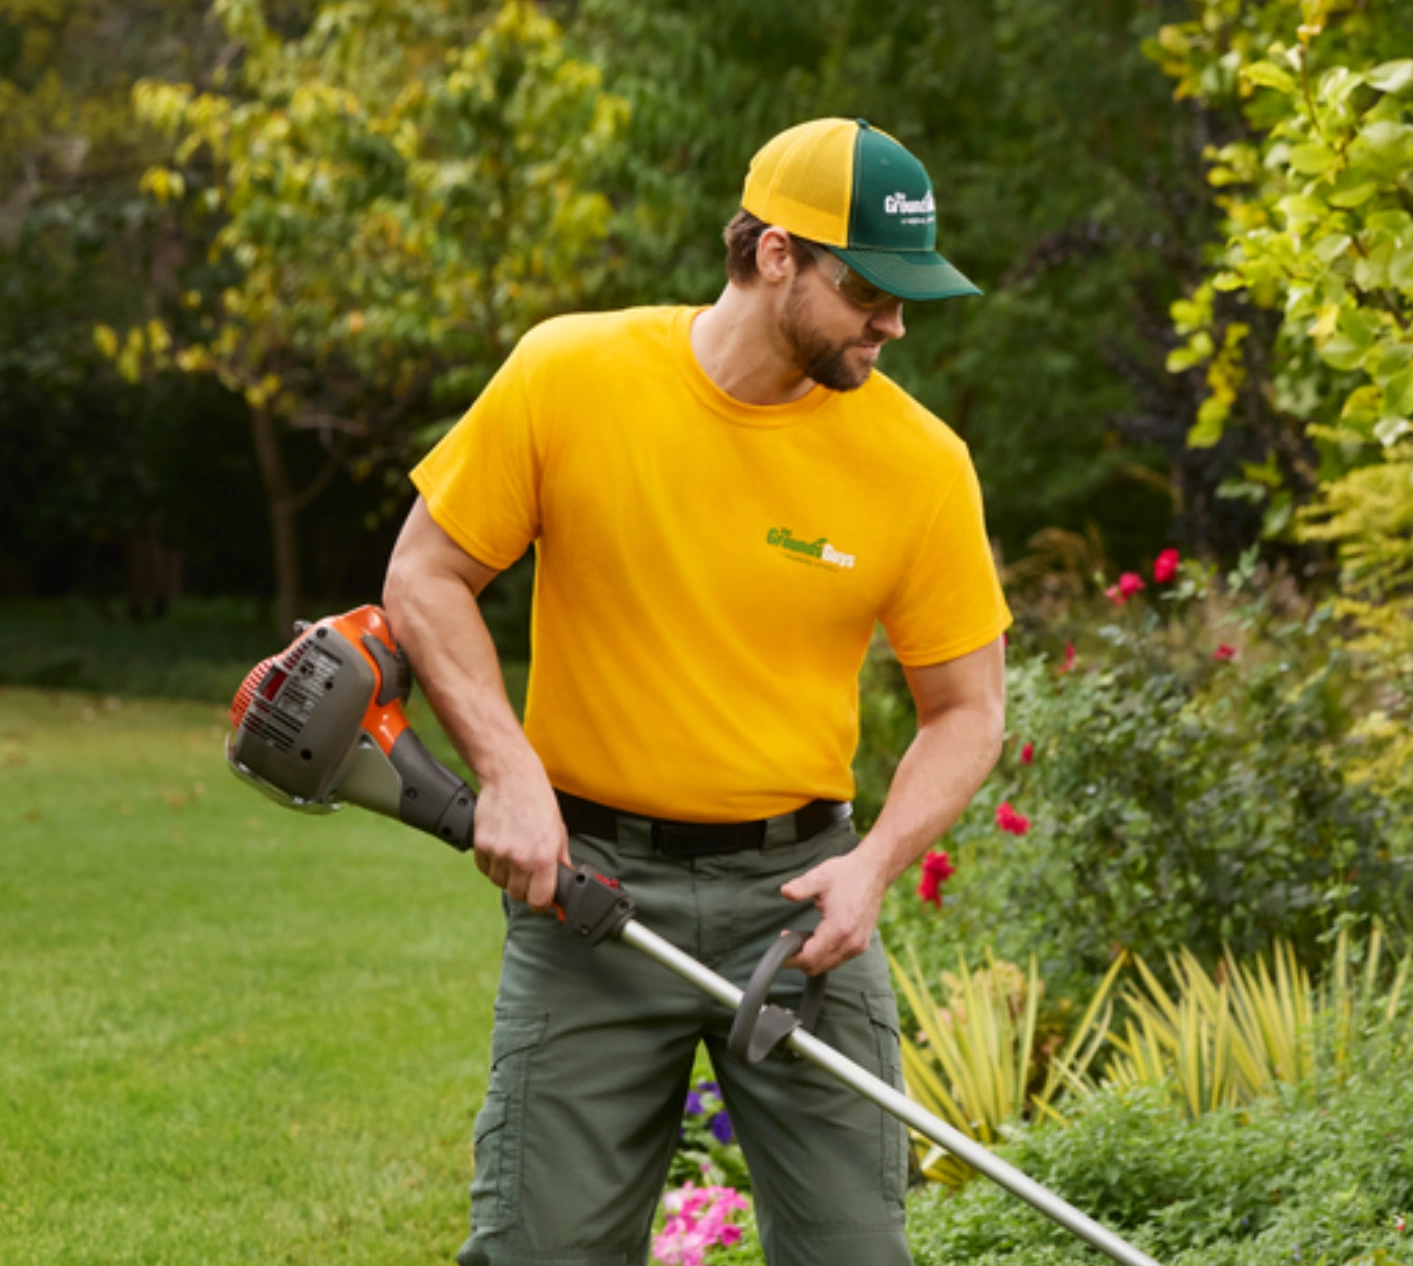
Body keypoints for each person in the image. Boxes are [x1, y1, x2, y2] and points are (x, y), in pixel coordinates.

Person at [385, 118, 1011, 1266]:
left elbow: (967, 709)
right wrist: (509, 775)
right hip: (586, 895)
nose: (894, 323)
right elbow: (426, 575)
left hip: (800, 909)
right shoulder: (571, 374)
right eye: (868, 289)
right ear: (775, 254)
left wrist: (872, 868)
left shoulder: (919, 462)